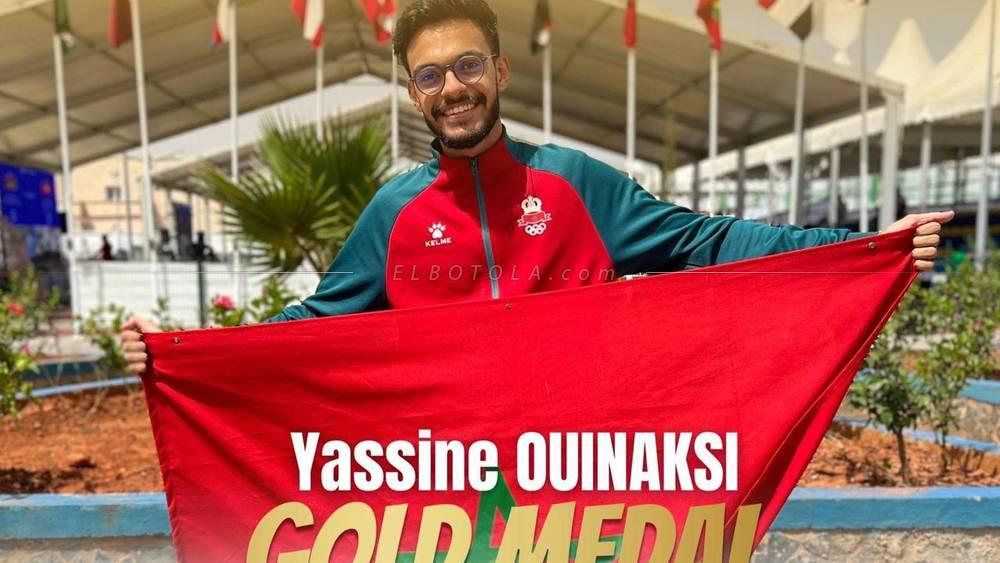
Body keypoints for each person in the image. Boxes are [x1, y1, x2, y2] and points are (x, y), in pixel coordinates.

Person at [122, 0, 952, 374]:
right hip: (439, 482)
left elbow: (710, 242)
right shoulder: (393, 212)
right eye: (432, 75)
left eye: (469, 66)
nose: (454, 87)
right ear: (415, 92)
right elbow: (307, 325)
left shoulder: (574, 182)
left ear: (500, 72)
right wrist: (180, 348)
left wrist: (860, 245)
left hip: (576, 481)